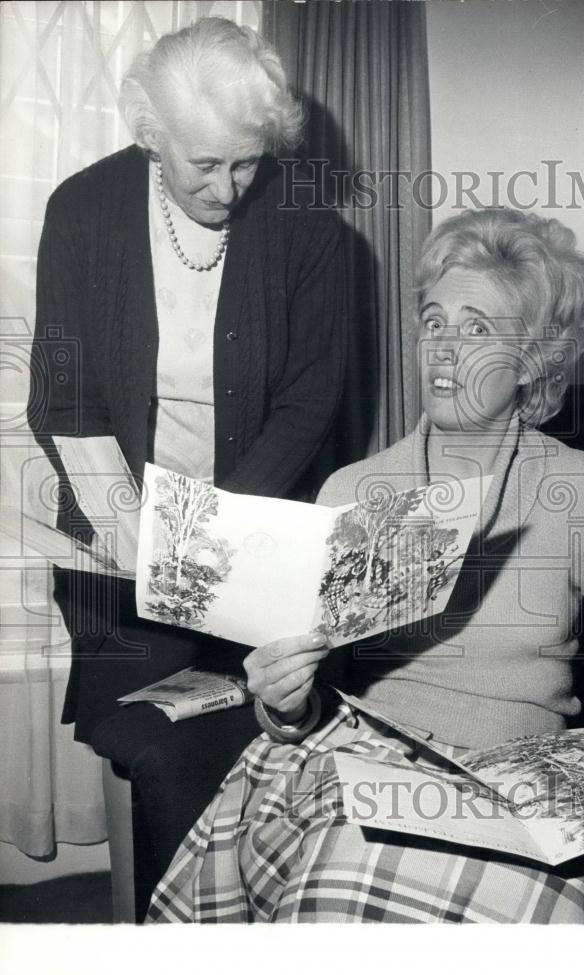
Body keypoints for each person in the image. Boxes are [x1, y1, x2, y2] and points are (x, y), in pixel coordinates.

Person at [147, 209, 584, 924]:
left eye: (478, 328)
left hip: (506, 786)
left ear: (535, 358)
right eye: (434, 321)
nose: (444, 349)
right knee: (346, 861)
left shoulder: (576, 491)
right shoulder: (353, 491)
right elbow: (305, 698)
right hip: (350, 765)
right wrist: (282, 703)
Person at [27, 21, 345, 777]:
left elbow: (309, 404)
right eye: (204, 164)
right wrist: (134, 529)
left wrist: (212, 536)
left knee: (263, 749)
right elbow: (68, 399)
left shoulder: (310, 229)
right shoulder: (82, 211)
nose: (228, 188)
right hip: (123, 543)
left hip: (258, 535)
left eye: (247, 164)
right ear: (150, 134)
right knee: (147, 747)